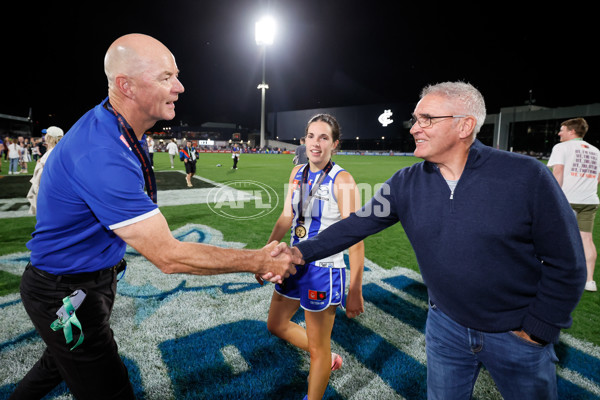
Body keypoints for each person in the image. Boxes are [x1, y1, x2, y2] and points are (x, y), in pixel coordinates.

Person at [10, 33, 298, 400]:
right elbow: (168, 256)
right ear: (125, 86)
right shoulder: (102, 151)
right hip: (65, 291)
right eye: (165, 77)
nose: (179, 86)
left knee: (58, 364)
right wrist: (256, 259)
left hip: (87, 279)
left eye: (175, 75)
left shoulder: (119, 127)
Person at [274, 82, 587, 400]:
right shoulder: (405, 183)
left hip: (515, 334)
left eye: (427, 119)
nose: (414, 128)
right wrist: (298, 252)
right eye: (415, 119)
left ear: (464, 125)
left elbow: (567, 261)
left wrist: (538, 329)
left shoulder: (526, 176)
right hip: (445, 328)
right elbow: (353, 226)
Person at [256, 114, 364, 400]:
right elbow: (286, 217)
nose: (316, 143)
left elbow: (355, 237)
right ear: (304, 141)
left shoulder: (343, 180)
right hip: (293, 263)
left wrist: (355, 289)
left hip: (324, 270)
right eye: (311, 136)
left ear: (334, 144)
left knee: (318, 347)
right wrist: (264, 254)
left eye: (324, 137)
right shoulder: (297, 173)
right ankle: (327, 357)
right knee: (276, 324)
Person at [548, 118, 599, 292]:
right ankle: (589, 281)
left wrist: (553, 196)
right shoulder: (595, 150)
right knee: (586, 239)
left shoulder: (561, 148)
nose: (559, 133)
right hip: (590, 200)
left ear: (571, 131)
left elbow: (558, 172)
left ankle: (555, 275)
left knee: (556, 237)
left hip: (567, 199)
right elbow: (598, 178)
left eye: (562, 130)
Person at [27, 126, 64, 215]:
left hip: (47, 188)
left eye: (46, 135)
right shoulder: (58, 150)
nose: (44, 137)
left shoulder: (52, 152)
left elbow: (44, 174)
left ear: (50, 137)